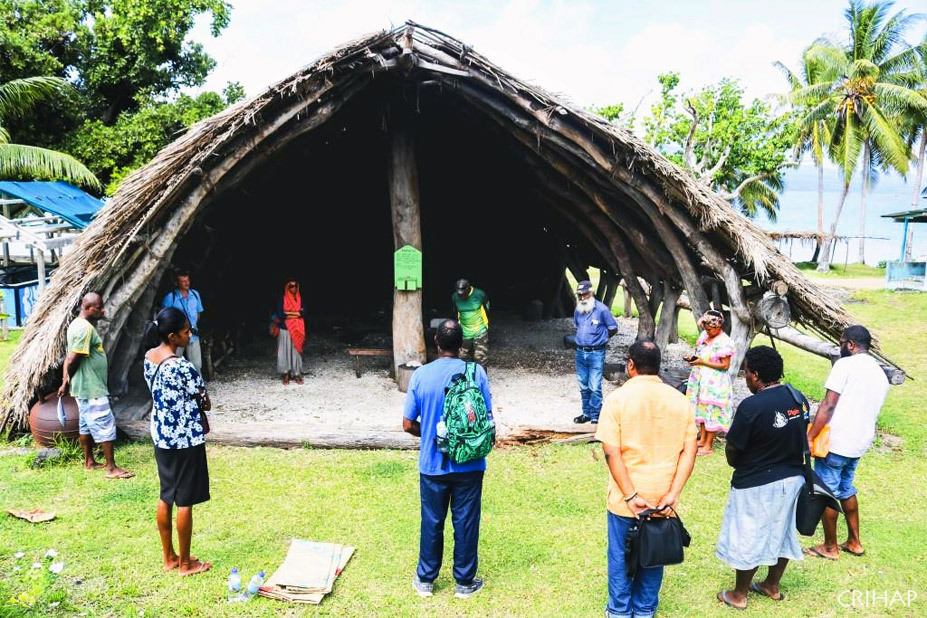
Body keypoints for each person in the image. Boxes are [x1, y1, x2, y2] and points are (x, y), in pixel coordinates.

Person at [595, 340, 697, 618]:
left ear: (631, 365)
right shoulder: (680, 400)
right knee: (654, 555)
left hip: (625, 500)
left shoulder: (617, 400)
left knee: (620, 557)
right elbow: (690, 451)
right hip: (662, 498)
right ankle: (644, 610)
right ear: (657, 366)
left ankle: (618, 611)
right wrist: (673, 494)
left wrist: (629, 495)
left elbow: (611, 452)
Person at [402, 319, 492, 599]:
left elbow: (407, 424)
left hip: (432, 464)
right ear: (462, 345)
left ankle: (426, 580)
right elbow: (486, 419)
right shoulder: (476, 373)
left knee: (432, 520)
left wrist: (430, 432)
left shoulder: (420, 375)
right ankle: (464, 584)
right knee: (465, 521)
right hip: (470, 463)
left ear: (436, 343)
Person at [715, 346, 807, 610]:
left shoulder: (751, 406)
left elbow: (733, 448)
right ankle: (771, 585)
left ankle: (739, 594)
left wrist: (736, 463)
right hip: (793, 479)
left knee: (749, 534)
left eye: (746, 373)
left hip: (756, 482)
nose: (746, 378)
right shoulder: (797, 398)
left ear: (755, 374)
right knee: (782, 530)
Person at [805, 325, 889, 561]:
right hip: (859, 442)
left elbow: (828, 405)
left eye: (842, 343)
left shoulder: (845, 365)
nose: (840, 347)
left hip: (837, 441)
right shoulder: (879, 372)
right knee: (845, 488)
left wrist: (810, 437)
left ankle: (830, 547)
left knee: (827, 492)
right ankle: (854, 542)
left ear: (850, 344)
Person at [143, 307, 212, 576]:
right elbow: (204, 400)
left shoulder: (149, 358)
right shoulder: (183, 367)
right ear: (173, 336)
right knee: (185, 500)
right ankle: (185, 564)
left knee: (166, 494)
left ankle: (169, 557)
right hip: (185, 439)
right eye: (185, 332)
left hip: (161, 435)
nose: (189, 335)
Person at [58, 292, 133, 479]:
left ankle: (89, 461)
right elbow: (74, 358)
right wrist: (67, 380)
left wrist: (65, 381)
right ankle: (111, 468)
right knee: (105, 423)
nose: (102, 310)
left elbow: (68, 358)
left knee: (85, 425)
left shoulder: (75, 324)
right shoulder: (85, 329)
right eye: (99, 307)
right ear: (88, 308)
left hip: (82, 387)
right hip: (91, 387)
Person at [685, 309, 735, 455]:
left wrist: (703, 362)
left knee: (711, 409)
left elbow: (725, 365)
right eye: (706, 329)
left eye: (710, 329)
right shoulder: (704, 335)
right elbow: (701, 354)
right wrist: (694, 359)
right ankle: (702, 439)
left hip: (715, 381)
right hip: (700, 377)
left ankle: (708, 445)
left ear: (719, 326)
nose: (708, 331)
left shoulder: (725, 342)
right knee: (701, 406)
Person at [573, 279, 618, 424]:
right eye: (580, 295)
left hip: (596, 353)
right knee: (583, 385)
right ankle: (586, 413)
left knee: (594, 386)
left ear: (591, 293)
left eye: (585, 294)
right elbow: (577, 327)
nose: (582, 297)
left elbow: (613, 328)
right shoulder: (578, 310)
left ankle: (595, 415)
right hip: (580, 352)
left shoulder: (602, 310)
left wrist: (602, 339)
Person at [161, 270, 205, 374]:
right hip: (177, 336)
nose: (187, 283)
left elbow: (198, 313)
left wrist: (192, 326)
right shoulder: (170, 298)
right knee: (174, 364)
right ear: (176, 283)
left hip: (193, 335)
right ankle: (176, 388)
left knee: (197, 365)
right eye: (183, 281)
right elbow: (164, 317)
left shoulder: (195, 294)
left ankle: (198, 388)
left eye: (187, 280)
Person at [272, 278, 306, 385]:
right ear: (287, 287)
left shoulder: (300, 299)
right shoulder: (283, 299)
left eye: (295, 286)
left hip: (297, 329)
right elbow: (281, 315)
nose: (293, 288)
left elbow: (304, 314)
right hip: (285, 328)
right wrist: (296, 313)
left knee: (296, 351)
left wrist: (289, 313)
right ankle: (285, 374)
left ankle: (296, 374)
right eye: (291, 286)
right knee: (284, 351)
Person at [452, 279, 490, 366]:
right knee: (462, 357)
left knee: (480, 357)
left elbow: (487, 309)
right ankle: (466, 378)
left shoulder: (480, 294)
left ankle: (482, 377)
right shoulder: (454, 296)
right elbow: (455, 311)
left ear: (468, 288)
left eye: (463, 293)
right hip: (464, 330)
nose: (461, 296)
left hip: (479, 329)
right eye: (459, 294)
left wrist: (485, 324)